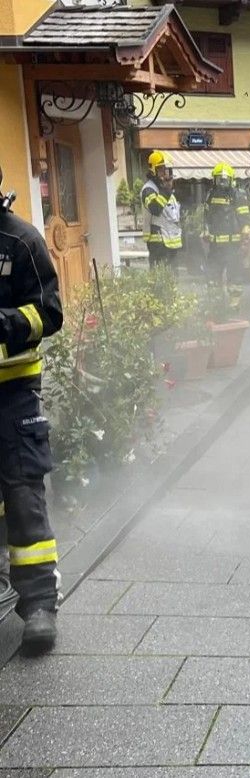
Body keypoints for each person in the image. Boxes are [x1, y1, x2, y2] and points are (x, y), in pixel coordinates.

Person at [0, 167, 64, 652]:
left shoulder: (20, 241)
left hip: (12, 396)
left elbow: (49, 311)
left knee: (23, 495)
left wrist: (3, 323)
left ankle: (39, 604)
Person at [203, 163, 250, 312]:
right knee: (212, 275)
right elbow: (207, 216)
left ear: (231, 180)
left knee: (235, 277)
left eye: (225, 180)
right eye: (219, 179)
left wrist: (245, 232)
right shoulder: (210, 194)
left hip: (233, 245)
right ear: (214, 180)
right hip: (215, 245)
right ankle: (215, 304)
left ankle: (234, 304)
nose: (222, 183)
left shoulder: (238, 194)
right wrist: (205, 230)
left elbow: (244, 217)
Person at [140, 151, 182, 270]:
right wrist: (167, 191)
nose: (165, 174)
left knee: (172, 278)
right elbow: (155, 208)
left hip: (171, 242)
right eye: (162, 170)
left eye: (167, 170)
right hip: (158, 242)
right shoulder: (148, 189)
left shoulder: (165, 189)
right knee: (159, 278)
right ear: (153, 171)